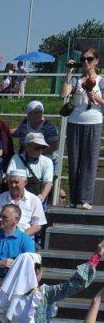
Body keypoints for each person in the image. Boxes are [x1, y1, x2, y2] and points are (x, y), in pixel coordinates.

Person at [60, 47, 104, 209]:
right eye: (83, 59)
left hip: (93, 121)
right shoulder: (77, 80)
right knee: (74, 161)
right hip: (75, 121)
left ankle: (85, 199)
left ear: (96, 61)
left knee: (89, 161)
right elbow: (63, 94)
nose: (86, 62)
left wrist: (96, 97)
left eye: (90, 59)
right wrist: (69, 72)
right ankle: (75, 198)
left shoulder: (101, 80)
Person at [0, 169, 47, 237]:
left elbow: (37, 225)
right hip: (0, 239)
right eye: (10, 182)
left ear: (25, 182)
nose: (13, 185)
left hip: (24, 240)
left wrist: (20, 238)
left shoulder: (34, 200)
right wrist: (0, 237)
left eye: (16, 182)